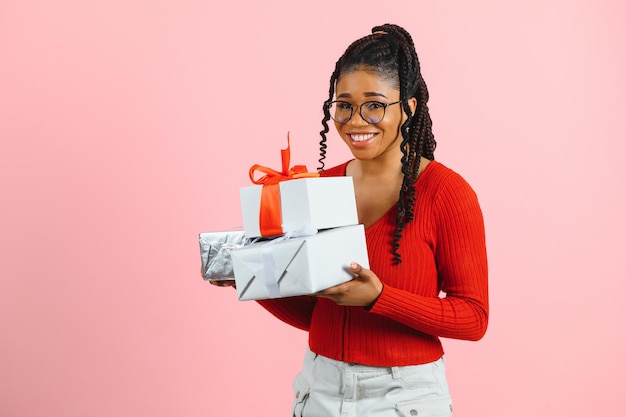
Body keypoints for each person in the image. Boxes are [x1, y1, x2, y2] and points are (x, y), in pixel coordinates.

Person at [222, 23, 489, 417]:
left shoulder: (446, 193)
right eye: (344, 105)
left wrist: (379, 299)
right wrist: (251, 280)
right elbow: (321, 315)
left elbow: (474, 317)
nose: (356, 120)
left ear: (409, 108)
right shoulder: (320, 187)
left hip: (405, 396)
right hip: (319, 387)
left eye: (375, 105)